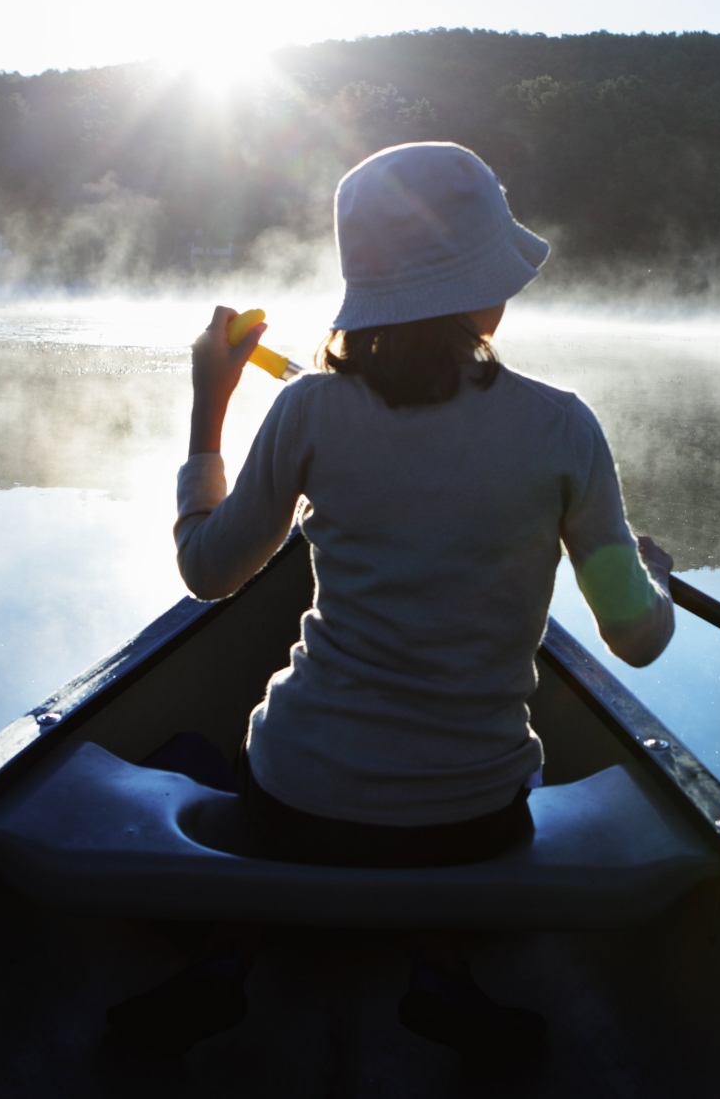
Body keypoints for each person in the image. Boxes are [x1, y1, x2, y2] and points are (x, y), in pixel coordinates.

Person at [108, 141, 675, 1058]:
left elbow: (208, 573)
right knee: (422, 828)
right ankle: (441, 966)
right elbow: (637, 635)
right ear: (485, 288)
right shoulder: (565, 427)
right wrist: (658, 575)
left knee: (233, 772)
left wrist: (208, 405)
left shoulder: (309, 412)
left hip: (301, 791)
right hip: (477, 814)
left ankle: (228, 949)